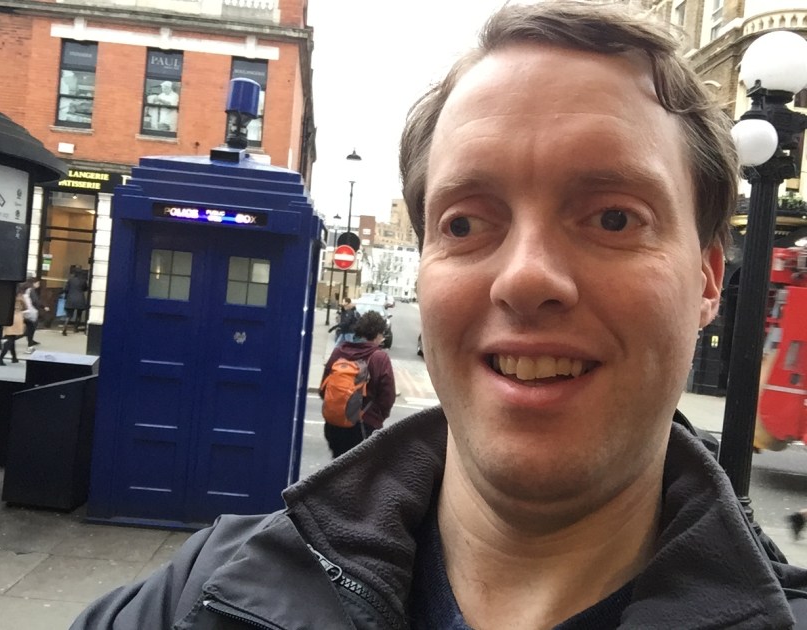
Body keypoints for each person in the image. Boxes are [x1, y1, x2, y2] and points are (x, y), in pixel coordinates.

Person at [71, 3, 807, 628]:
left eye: (614, 217)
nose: (525, 279)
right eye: (463, 224)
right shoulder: (204, 595)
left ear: (709, 278)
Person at [321, 311, 396, 458]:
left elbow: (323, 388)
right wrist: (377, 417)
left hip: (334, 427)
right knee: (360, 476)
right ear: (378, 334)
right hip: (364, 426)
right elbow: (387, 396)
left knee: (337, 470)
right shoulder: (379, 357)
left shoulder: (339, 351)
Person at [0, 283, 27, 365]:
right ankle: (1, 358)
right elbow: (24, 306)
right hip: (16, 317)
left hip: (10, 317)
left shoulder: (8, 296)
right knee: (10, 340)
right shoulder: (19, 298)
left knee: (11, 338)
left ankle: (14, 357)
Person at [22, 278, 48, 354]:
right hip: (30, 312)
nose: (38, 285)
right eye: (38, 283)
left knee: (28, 328)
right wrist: (43, 307)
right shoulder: (31, 290)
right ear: (34, 283)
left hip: (23, 312)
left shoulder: (24, 289)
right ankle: (29, 345)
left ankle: (30, 344)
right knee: (31, 328)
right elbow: (35, 301)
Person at [61, 266, 88, 336]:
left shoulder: (70, 280)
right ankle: (75, 328)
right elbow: (86, 288)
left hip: (71, 298)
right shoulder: (83, 280)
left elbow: (66, 289)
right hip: (80, 299)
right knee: (79, 314)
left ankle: (65, 327)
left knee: (69, 315)